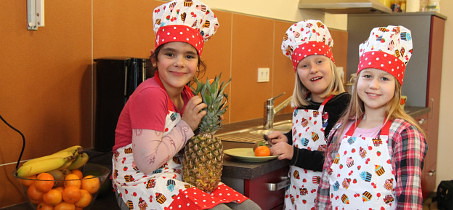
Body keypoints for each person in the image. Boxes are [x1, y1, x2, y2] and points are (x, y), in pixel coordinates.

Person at [111, 0, 261, 209]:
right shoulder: (151, 94)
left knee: (250, 208)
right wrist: (187, 125)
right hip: (141, 185)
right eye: (170, 54)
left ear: (197, 63)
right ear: (154, 59)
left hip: (180, 175)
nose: (179, 62)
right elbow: (146, 164)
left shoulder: (188, 95)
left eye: (189, 56)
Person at [316, 25, 427, 209]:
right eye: (367, 76)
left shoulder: (404, 134)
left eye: (384, 78)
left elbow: (409, 200)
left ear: (396, 87)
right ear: (357, 80)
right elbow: (325, 188)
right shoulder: (340, 129)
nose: (373, 85)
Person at [265, 20, 350, 209]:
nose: (313, 69)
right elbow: (306, 137)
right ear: (298, 74)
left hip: (326, 198)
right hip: (298, 197)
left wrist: (293, 153)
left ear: (332, 65)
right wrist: (287, 138)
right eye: (304, 65)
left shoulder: (343, 105)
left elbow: (336, 159)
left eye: (320, 61)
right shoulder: (305, 104)